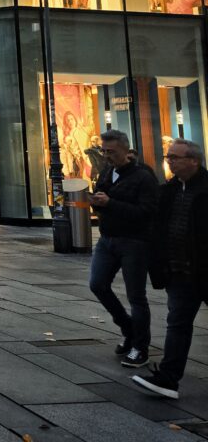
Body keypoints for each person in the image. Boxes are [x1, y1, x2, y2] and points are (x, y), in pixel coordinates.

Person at [133, 139, 208, 400]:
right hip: (179, 273)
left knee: (178, 324)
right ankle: (168, 379)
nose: (170, 161)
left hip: (204, 270)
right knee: (177, 324)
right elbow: (158, 229)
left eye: (175, 157)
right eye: (168, 157)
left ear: (193, 161)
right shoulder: (168, 191)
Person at [88, 130, 157, 368]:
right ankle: (128, 329)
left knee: (136, 296)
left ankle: (140, 347)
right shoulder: (107, 171)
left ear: (127, 151)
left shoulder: (143, 176)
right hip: (107, 239)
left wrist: (110, 203)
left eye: (112, 152)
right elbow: (103, 198)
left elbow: (147, 213)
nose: (107, 156)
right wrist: (96, 202)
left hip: (134, 241)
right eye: (104, 151)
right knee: (97, 284)